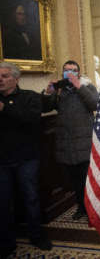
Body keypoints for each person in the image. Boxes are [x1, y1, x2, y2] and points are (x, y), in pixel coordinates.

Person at [0, 62, 53, 258]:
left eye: (5, 76)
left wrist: (5, 109)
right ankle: (6, 241)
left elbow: (30, 119)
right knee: (3, 202)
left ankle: (37, 236)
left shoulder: (29, 97)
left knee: (30, 198)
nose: (0, 80)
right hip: (2, 161)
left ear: (16, 78)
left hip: (26, 159)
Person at [43, 60, 99, 220]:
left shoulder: (87, 87)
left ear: (79, 74)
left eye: (73, 71)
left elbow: (95, 104)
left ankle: (92, 210)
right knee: (75, 182)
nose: (70, 73)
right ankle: (81, 208)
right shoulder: (59, 90)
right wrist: (49, 91)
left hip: (85, 144)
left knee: (88, 180)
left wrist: (78, 86)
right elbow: (46, 107)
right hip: (66, 145)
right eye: (66, 71)